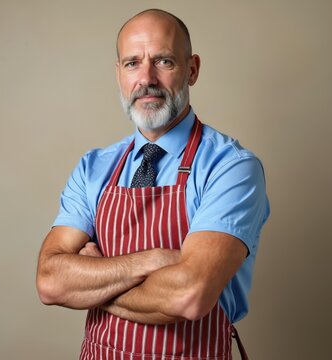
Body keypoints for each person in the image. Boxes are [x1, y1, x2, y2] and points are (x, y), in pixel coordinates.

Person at [36, 8, 269, 360]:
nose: (146, 78)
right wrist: (153, 261)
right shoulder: (94, 168)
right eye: (132, 63)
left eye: (163, 61)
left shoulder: (231, 168)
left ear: (192, 70)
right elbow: (51, 281)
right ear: (119, 74)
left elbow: (189, 296)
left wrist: (95, 281)